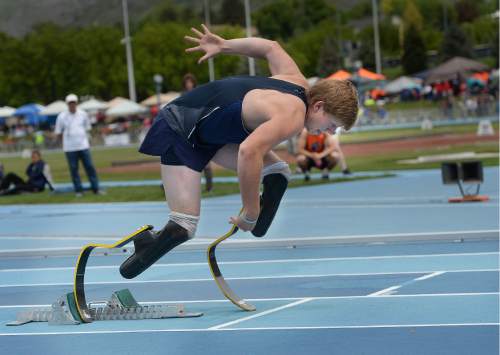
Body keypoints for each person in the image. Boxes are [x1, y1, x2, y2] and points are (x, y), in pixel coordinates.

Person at [119, 25, 359, 279]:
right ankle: (141, 250)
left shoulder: (295, 79)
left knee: (277, 172)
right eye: (332, 124)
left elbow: (271, 48)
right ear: (319, 106)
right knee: (183, 226)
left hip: (214, 134)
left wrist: (225, 45)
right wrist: (251, 209)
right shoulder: (293, 114)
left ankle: (257, 227)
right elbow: (248, 151)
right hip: (181, 128)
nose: (330, 133)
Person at [55, 94, 102, 197]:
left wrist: (89, 141)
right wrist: (63, 144)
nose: (72, 105)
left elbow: (88, 128)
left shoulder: (83, 114)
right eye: (70, 103)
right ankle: (78, 190)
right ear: (67, 104)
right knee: (74, 169)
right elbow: (58, 132)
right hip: (70, 148)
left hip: (83, 146)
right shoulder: (62, 116)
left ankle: (96, 188)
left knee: (90, 167)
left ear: (76, 103)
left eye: (74, 102)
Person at [182, 73, 214, 193]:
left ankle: (209, 186)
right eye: (187, 82)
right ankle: (169, 184)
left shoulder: (200, 94)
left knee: (205, 158)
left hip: (200, 129)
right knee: (184, 158)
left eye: (190, 82)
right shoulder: (183, 96)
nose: (189, 84)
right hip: (188, 130)